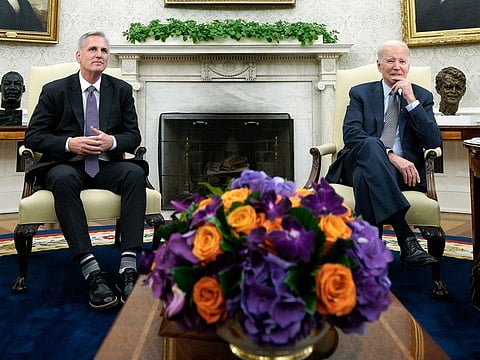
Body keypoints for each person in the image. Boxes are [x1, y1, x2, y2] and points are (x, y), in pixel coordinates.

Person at [24, 31, 147, 311]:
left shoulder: (121, 90)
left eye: (104, 50)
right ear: (79, 56)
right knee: (64, 178)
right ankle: (91, 271)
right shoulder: (55, 90)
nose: (99, 54)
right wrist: (70, 143)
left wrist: (112, 141)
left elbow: (133, 136)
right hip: (67, 165)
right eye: (93, 49)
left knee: (135, 173)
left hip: (107, 164)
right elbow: (34, 136)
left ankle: (128, 267)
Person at [326, 40, 441, 268]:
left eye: (402, 61)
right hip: (357, 159)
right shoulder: (360, 93)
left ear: (408, 66)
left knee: (364, 176)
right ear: (379, 65)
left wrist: (411, 101)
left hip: (395, 174)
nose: (396, 66)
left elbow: (433, 141)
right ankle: (405, 236)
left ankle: (368, 258)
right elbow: (351, 134)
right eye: (390, 61)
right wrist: (390, 155)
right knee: (370, 144)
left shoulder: (421, 97)